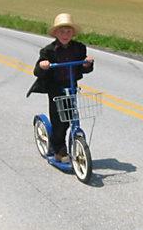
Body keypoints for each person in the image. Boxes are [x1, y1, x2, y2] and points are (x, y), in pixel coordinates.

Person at [27, 13, 94, 162]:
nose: (65, 35)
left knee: (71, 115)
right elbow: (36, 71)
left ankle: (75, 140)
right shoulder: (48, 51)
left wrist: (86, 64)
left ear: (73, 33)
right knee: (59, 120)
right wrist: (43, 65)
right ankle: (59, 149)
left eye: (68, 31)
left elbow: (83, 68)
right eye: (62, 31)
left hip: (71, 86)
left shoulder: (79, 48)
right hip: (55, 88)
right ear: (56, 33)